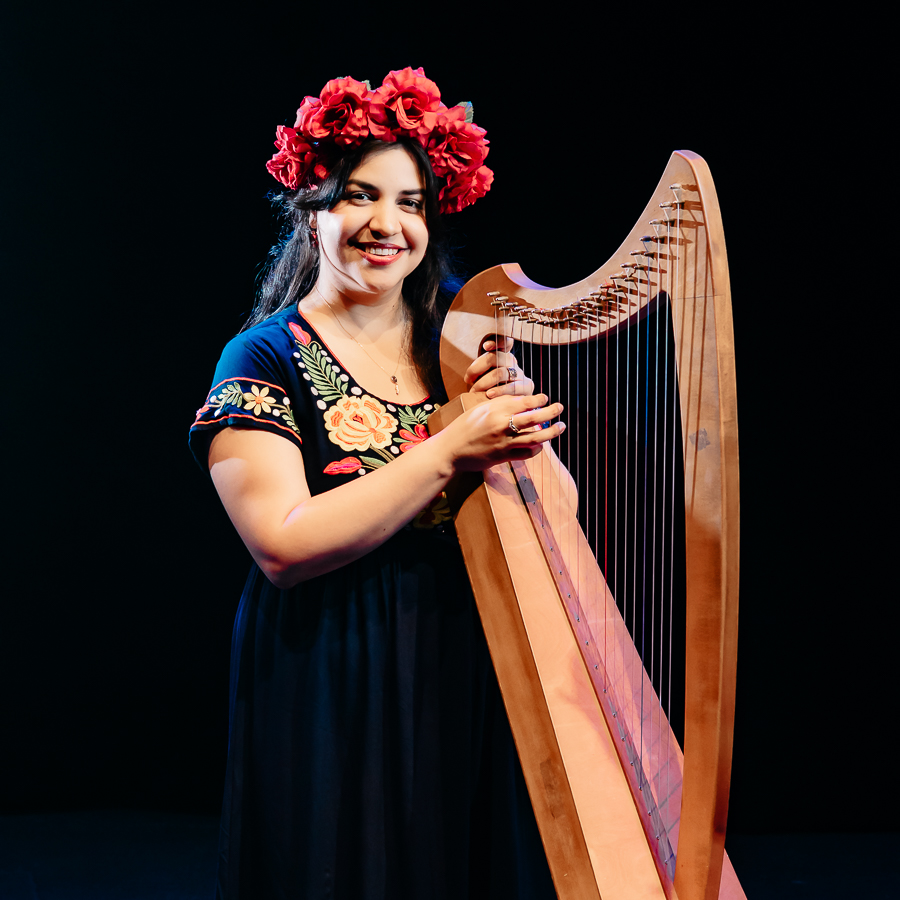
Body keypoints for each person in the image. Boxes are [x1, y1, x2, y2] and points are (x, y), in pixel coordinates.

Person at [190, 68, 564, 899]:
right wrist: (449, 448)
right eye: (359, 196)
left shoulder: (460, 340)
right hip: (331, 666)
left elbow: (551, 511)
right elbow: (282, 546)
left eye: (411, 203)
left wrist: (520, 431)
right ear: (311, 209)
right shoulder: (263, 356)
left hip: (466, 658)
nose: (387, 224)